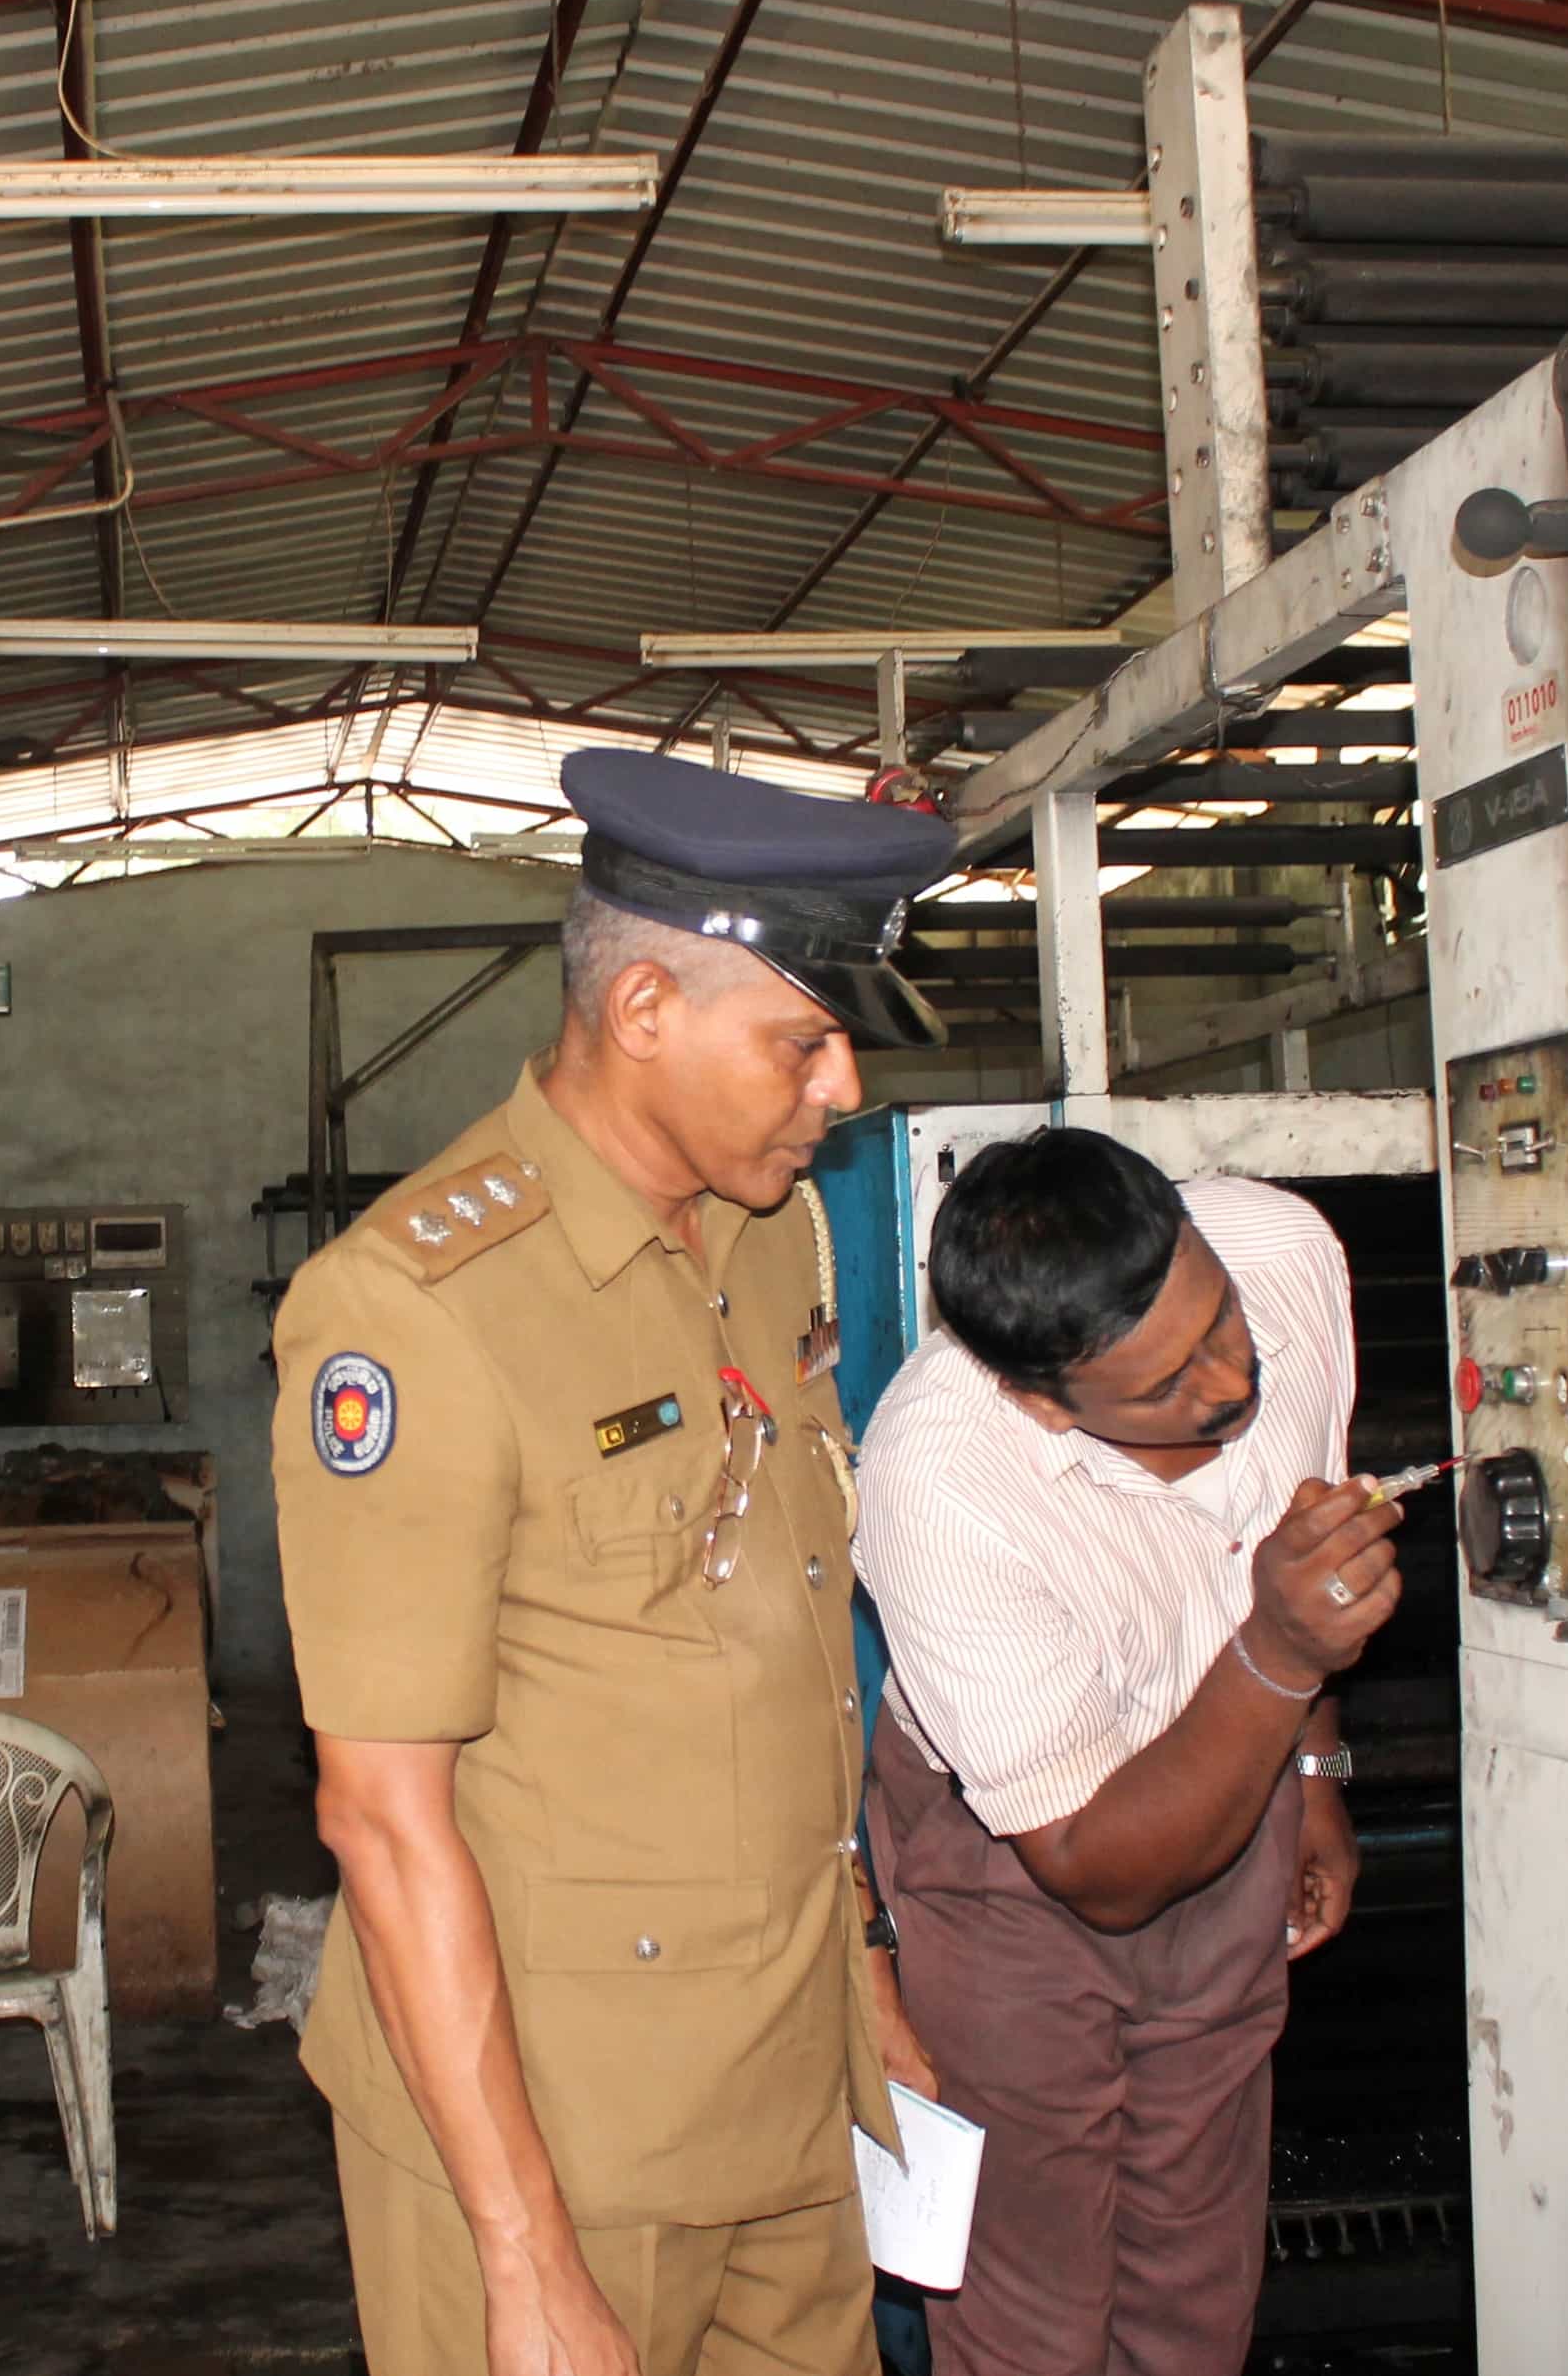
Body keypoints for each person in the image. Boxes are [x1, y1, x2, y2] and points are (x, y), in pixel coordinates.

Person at [273, 747, 952, 2376]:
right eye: (802, 1038)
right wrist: (525, 2256)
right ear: (642, 1006)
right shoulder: (415, 1307)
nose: (843, 1089)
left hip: (791, 2097)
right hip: (558, 2140)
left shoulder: (767, 1228)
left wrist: (867, 1985)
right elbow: (381, 1809)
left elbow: (774, 1653)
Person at [851, 1125, 1403, 2376]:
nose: (1223, 1385)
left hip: (1243, 1757)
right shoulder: (941, 1480)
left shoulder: (1281, 1250)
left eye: (1218, 1325)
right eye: (1161, 1387)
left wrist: (1316, 1776)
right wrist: (1280, 1646)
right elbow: (1097, 1867)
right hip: (1019, 1865)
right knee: (1035, 2307)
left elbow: (1298, 1519)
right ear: (1040, 1398)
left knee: (1193, 2284)